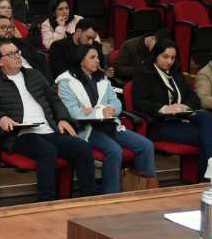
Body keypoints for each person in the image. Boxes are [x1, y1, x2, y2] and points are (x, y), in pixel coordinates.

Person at [0, 39, 97, 201]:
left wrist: (62, 119)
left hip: (49, 129)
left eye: (17, 52)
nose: (17, 56)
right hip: (20, 134)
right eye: (11, 54)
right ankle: (46, 202)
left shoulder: (34, 74)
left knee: (82, 147)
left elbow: (55, 100)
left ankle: (88, 199)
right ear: (0, 61)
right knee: (47, 151)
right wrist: (0, 117)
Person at [57, 46, 157, 193]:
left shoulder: (102, 78)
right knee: (114, 150)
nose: (97, 60)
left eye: (98, 57)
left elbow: (116, 103)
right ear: (81, 61)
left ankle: (144, 192)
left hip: (109, 125)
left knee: (146, 145)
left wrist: (110, 110)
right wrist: (98, 113)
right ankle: (110, 194)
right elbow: (71, 111)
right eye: (92, 57)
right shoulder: (66, 82)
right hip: (86, 128)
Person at [131, 41, 212, 178]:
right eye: (165, 57)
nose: (169, 62)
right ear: (155, 55)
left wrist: (185, 106)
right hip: (160, 122)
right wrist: (164, 108)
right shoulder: (143, 73)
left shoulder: (176, 72)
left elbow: (194, 98)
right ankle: (210, 173)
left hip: (182, 117)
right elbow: (140, 102)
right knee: (206, 137)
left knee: (207, 117)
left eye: (173, 58)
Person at [0, 16, 49, 82]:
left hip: (37, 80)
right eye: (3, 27)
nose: (8, 30)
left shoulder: (22, 43)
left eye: (10, 27)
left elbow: (42, 62)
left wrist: (48, 83)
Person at [47, 17, 104, 83]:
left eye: (93, 39)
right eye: (88, 38)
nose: (90, 42)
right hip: (69, 84)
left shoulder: (96, 46)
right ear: (78, 32)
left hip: (95, 82)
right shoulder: (59, 46)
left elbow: (100, 69)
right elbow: (59, 73)